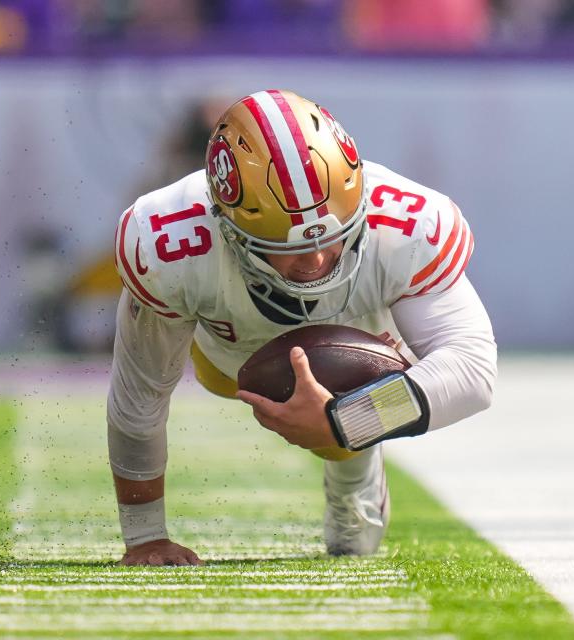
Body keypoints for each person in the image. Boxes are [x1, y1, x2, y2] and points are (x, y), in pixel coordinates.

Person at [108, 90, 497, 566]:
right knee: (217, 377)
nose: (315, 261)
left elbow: (473, 372)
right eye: (285, 246)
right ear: (226, 225)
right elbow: (140, 397)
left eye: (334, 238)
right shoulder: (169, 241)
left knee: (348, 390)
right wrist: (146, 535)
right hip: (227, 356)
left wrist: (346, 421)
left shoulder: (407, 224)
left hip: (365, 343)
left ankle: (354, 470)